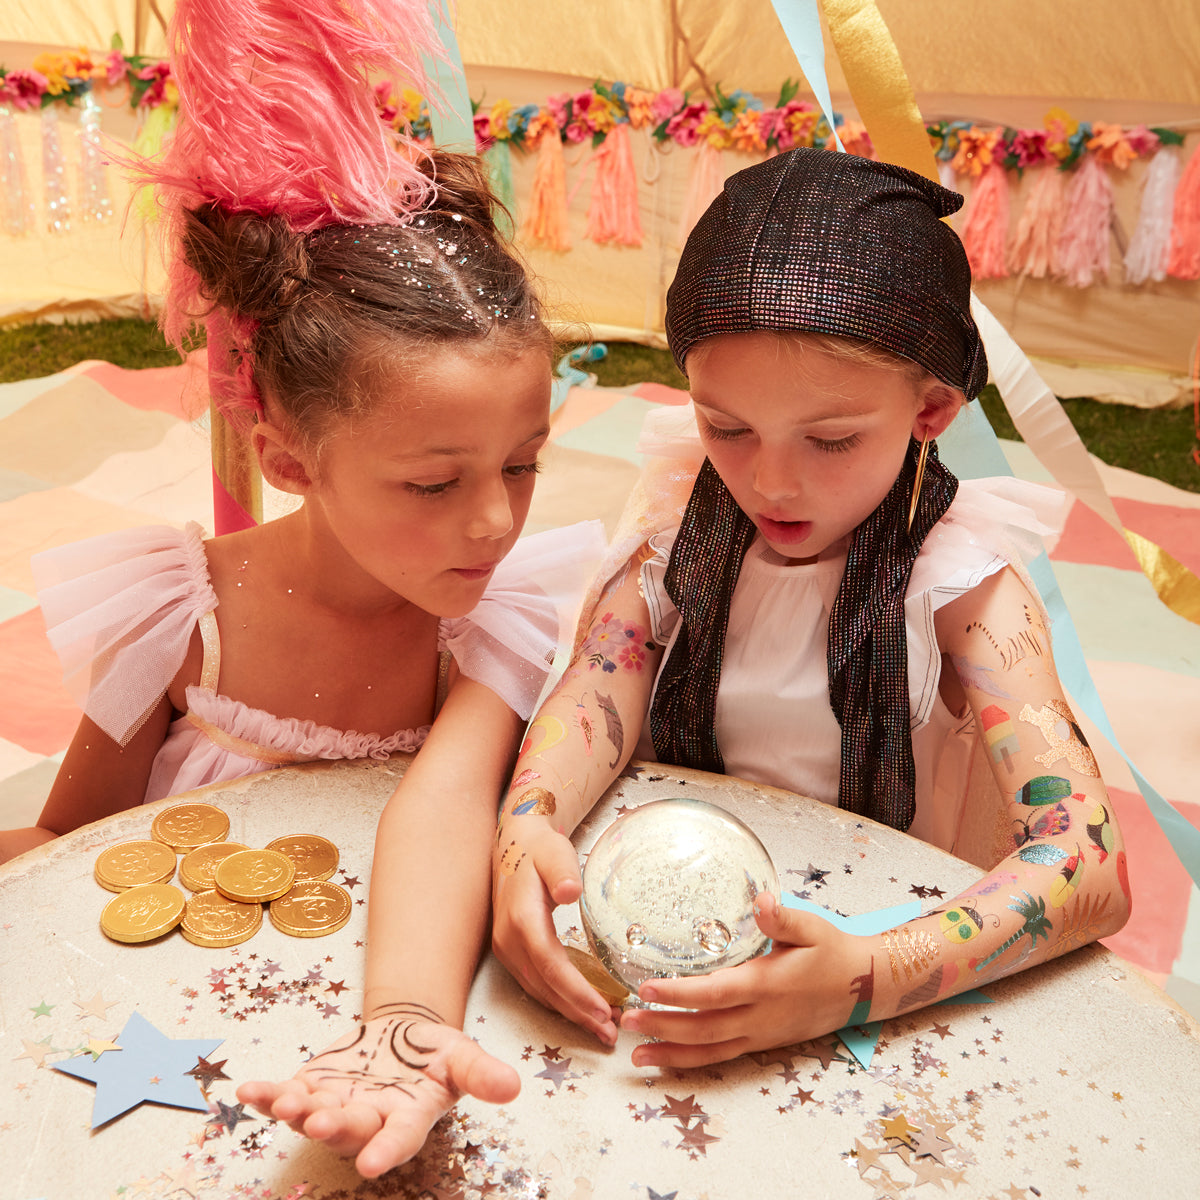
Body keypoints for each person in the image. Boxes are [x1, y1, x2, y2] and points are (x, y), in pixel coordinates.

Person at [0, 0, 602, 1177]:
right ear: (287, 458)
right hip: (168, 1064)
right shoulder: (182, 625)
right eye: (434, 481)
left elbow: (452, 804)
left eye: (523, 465)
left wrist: (400, 1033)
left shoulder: (493, 620)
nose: (495, 521)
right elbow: (72, 840)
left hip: (393, 1032)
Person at [491, 147, 1131, 1068]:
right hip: (675, 903)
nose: (770, 481)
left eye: (830, 440)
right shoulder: (682, 527)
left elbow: (1091, 866)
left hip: (874, 931)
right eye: (726, 427)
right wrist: (526, 826)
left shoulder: (961, 588)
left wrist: (868, 974)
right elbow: (599, 685)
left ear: (933, 410)